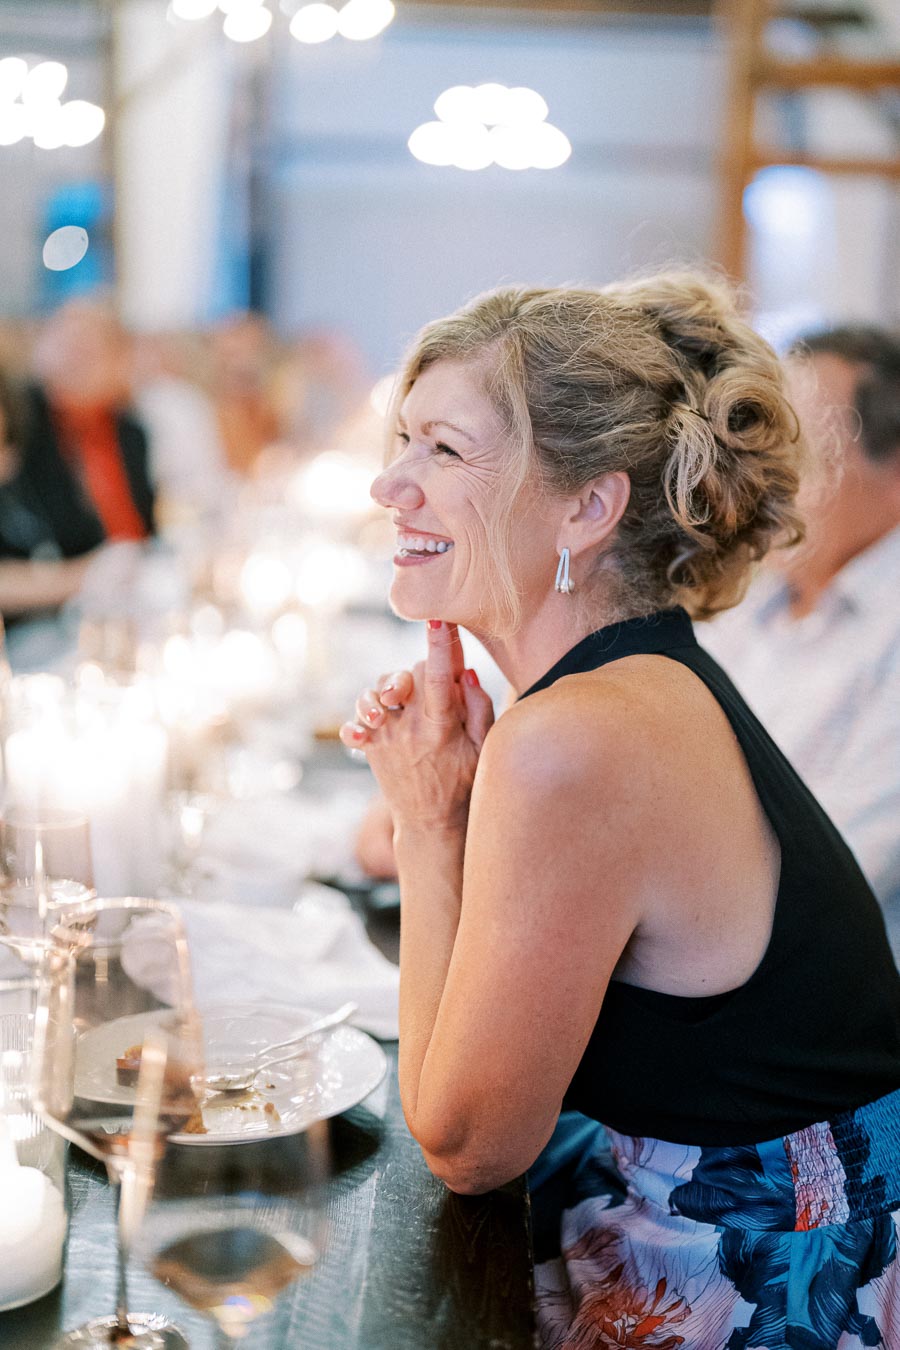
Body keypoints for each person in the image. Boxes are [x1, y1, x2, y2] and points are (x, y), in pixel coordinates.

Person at [339, 275, 900, 1349]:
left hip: (776, 1291)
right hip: (712, 1227)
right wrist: (453, 808)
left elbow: (466, 1143)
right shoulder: (624, 687)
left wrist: (427, 824)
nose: (388, 486)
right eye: (402, 443)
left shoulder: (574, 740)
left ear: (587, 508)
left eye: (444, 451)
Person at [702, 325, 900, 949]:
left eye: (804, 451)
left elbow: (829, 883)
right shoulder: (755, 594)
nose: (767, 480)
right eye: (761, 446)